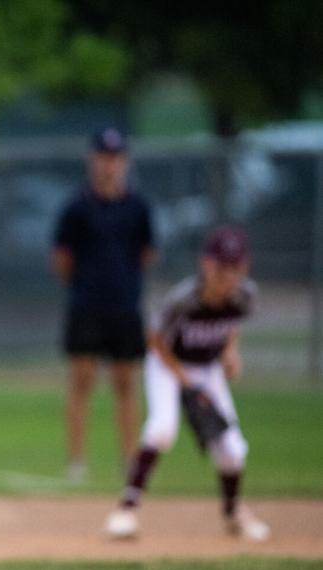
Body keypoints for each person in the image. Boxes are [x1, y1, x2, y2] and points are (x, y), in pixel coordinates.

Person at [104, 226, 270, 541]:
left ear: (244, 267)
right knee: (162, 430)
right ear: (206, 264)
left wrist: (231, 353)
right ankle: (125, 511)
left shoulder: (245, 295)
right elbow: (154, 339)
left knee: (233, 451)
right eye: (222, 268)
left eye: (235, 268)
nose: (228, 276)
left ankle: (233, 513)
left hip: (208, 369)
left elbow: (232, 325)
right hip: (168, 365)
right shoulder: (185, 299)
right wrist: (185, 384)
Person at [51, 127, 156, 482]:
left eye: (116, 158)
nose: (110, 164)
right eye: (104, 157)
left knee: (126, 383)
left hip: (126, 306)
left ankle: (129, 461)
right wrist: (86, 286)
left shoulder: (137, 208)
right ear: (93, 160)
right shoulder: (77, 208)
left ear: (124, 162)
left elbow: (146, 254)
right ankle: (77, 462)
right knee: (81, 382)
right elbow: (62, 259)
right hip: (86, 306)